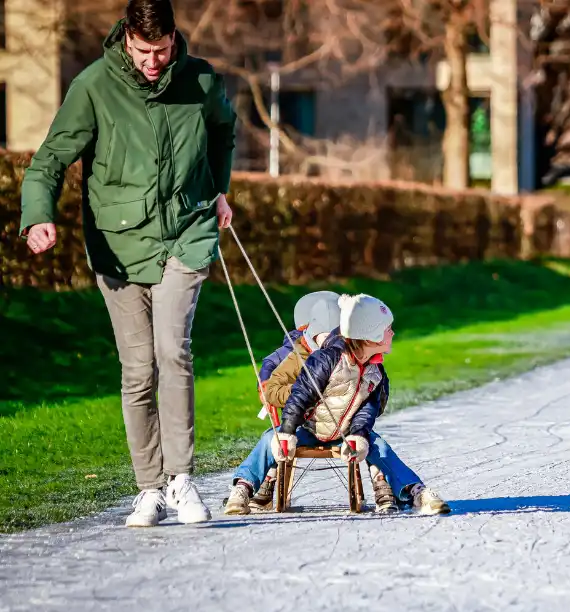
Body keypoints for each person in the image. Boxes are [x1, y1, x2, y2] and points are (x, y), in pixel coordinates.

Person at [18, 0, 237, 528]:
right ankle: (149, 488)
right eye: (144, 51)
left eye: (162, 50)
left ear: (173, 37)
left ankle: (181, 479)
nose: (154, 61)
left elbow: (223, 133)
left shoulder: (200, 81)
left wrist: (221, 188)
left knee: (172, 351)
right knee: (138, 371)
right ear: (127, 41)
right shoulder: (95, 85)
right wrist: (38, 216)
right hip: (117, 245)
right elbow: (49, 159)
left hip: (186, 233)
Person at [227, 294, 450, 516]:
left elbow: (368, 409)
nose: (392, 333)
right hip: (310, 428)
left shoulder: (375, 370)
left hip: (346, 433)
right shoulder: (327, 360)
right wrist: (287, 431)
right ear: (370, 336)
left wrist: (358, 434)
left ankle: (415, 492)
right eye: (387, 329)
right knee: (270, 439)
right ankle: (243, 488)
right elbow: (300, 396)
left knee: (379, 447)